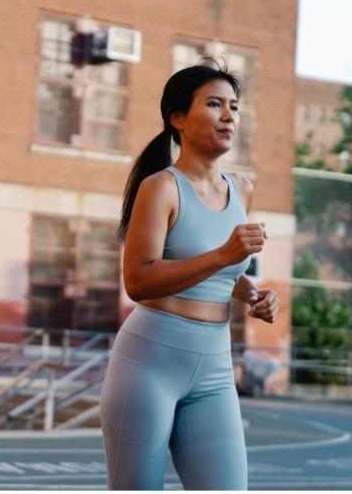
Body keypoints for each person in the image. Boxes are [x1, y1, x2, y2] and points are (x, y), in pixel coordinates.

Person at [100, 61, 280, 490]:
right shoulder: (161, 187)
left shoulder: (243, 189)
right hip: (149, 364)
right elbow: (139, 281)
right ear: (177, 118)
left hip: (216, 368)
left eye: (234, 107)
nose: (228, 116)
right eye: (214, 104)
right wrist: (224, 254)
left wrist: (254, 293)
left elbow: (218, 272)